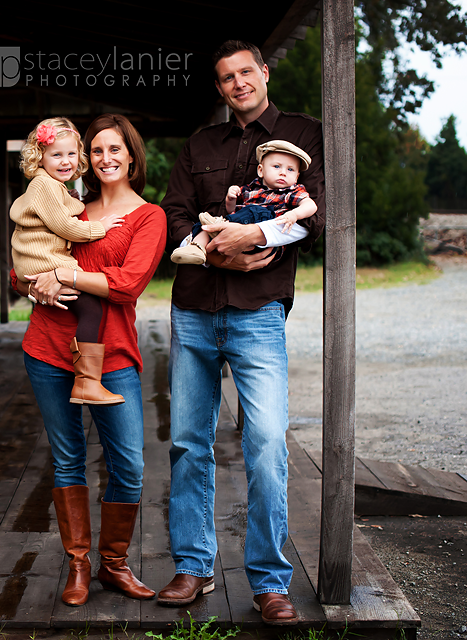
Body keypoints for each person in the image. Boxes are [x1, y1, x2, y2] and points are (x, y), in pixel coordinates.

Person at [158, 40, 325, 626]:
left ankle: (270, 583)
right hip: (195, 308)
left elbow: (317, 213)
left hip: (258, 311)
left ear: (264, 73)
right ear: (220, 86)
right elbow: (175, 213)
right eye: (226, 77)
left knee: (267, 444)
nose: (237, 84)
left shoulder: (305, 132)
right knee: (186, 441)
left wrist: (248, 239)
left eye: (245, 72)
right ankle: (195, 566)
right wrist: (213, 255)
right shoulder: (201, 144)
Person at [11, 113, 166, 606]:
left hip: (113, 354)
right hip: (48, 348)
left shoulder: (148, 217)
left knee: (129, 465)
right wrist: (37, 284)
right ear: (85, 159)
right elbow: (22, 270)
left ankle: (114, 565)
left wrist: (69, 278)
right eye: (96, 150)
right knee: (67, 460)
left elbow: (127, 285)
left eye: (114, 149)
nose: (104, 158)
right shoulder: (69, 204)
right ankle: (78, 566)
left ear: (132, 155)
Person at [10, 117, 127, 405]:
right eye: (56, 155)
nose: (65, 162)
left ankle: (84, 380)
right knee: (92, 309)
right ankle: (87, 382)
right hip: (44, 262)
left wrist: (72, 198)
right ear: (40, 157)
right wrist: (101, 227)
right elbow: (66, 227)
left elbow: (61, 208)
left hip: (39, 262)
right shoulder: (45, 186)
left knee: (85, 306)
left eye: (71, 154)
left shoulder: (51, 186)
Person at [170, 140, 318, 265]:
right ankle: (197, 248)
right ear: (260, 170)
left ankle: (219, 227)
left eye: (290, 169)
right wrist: (231, 198)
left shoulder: (290, 192)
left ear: (297, 177)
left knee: (254, 211)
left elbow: (311, 205)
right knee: (205, 226)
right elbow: (231, 210)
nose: (283, 172)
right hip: (236, 230)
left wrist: (294, 215)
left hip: (263, 240)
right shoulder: (251, 189)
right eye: (277, 166)